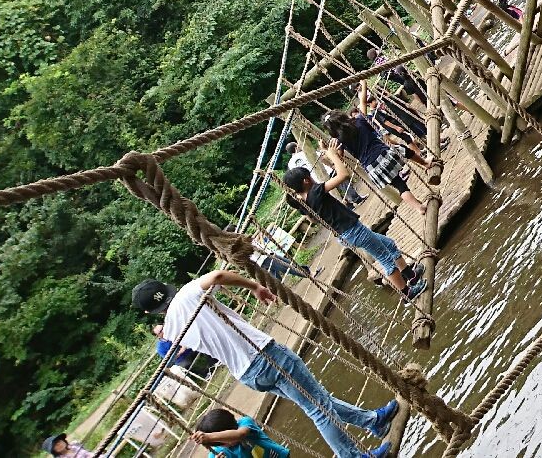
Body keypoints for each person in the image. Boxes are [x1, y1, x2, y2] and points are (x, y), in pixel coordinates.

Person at [132, 273, 396, 458]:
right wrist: (254, 286)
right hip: (264, 355)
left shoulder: (171, 330)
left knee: (315, 402)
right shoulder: (188, 293)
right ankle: (355, 456)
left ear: (149, 312)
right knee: (318, 410)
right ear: (166, 289)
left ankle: (373, 421)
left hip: (247, 374)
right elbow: (219, 276)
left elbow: (181, 350)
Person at [282, 159, 426, 303]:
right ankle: (407, 293)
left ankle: (410, 276)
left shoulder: (303, 202)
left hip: (346, 233)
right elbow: (343, 175)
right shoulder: (315, 192)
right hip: (353, 231)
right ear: (306, 180)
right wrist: (332, 156)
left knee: (389, 244)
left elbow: (312, 220)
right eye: (311, 177)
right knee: (386, 260)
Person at [321, 108, 429, 215]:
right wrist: (363, 90)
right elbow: (365, 109)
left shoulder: (339, 141)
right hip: (384, 155)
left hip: (372, 168)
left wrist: (326, 150)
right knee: (404, 150)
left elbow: (339, 158)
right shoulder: (359, 120)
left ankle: (419, 207)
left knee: (400, 186)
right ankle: (425, 163)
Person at [191, 408, 289, 458]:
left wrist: (210, 437)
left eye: (228, 439)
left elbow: (240, 435)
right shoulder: (217, 454)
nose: (229, 443)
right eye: (224, 443)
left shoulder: (245, 423)